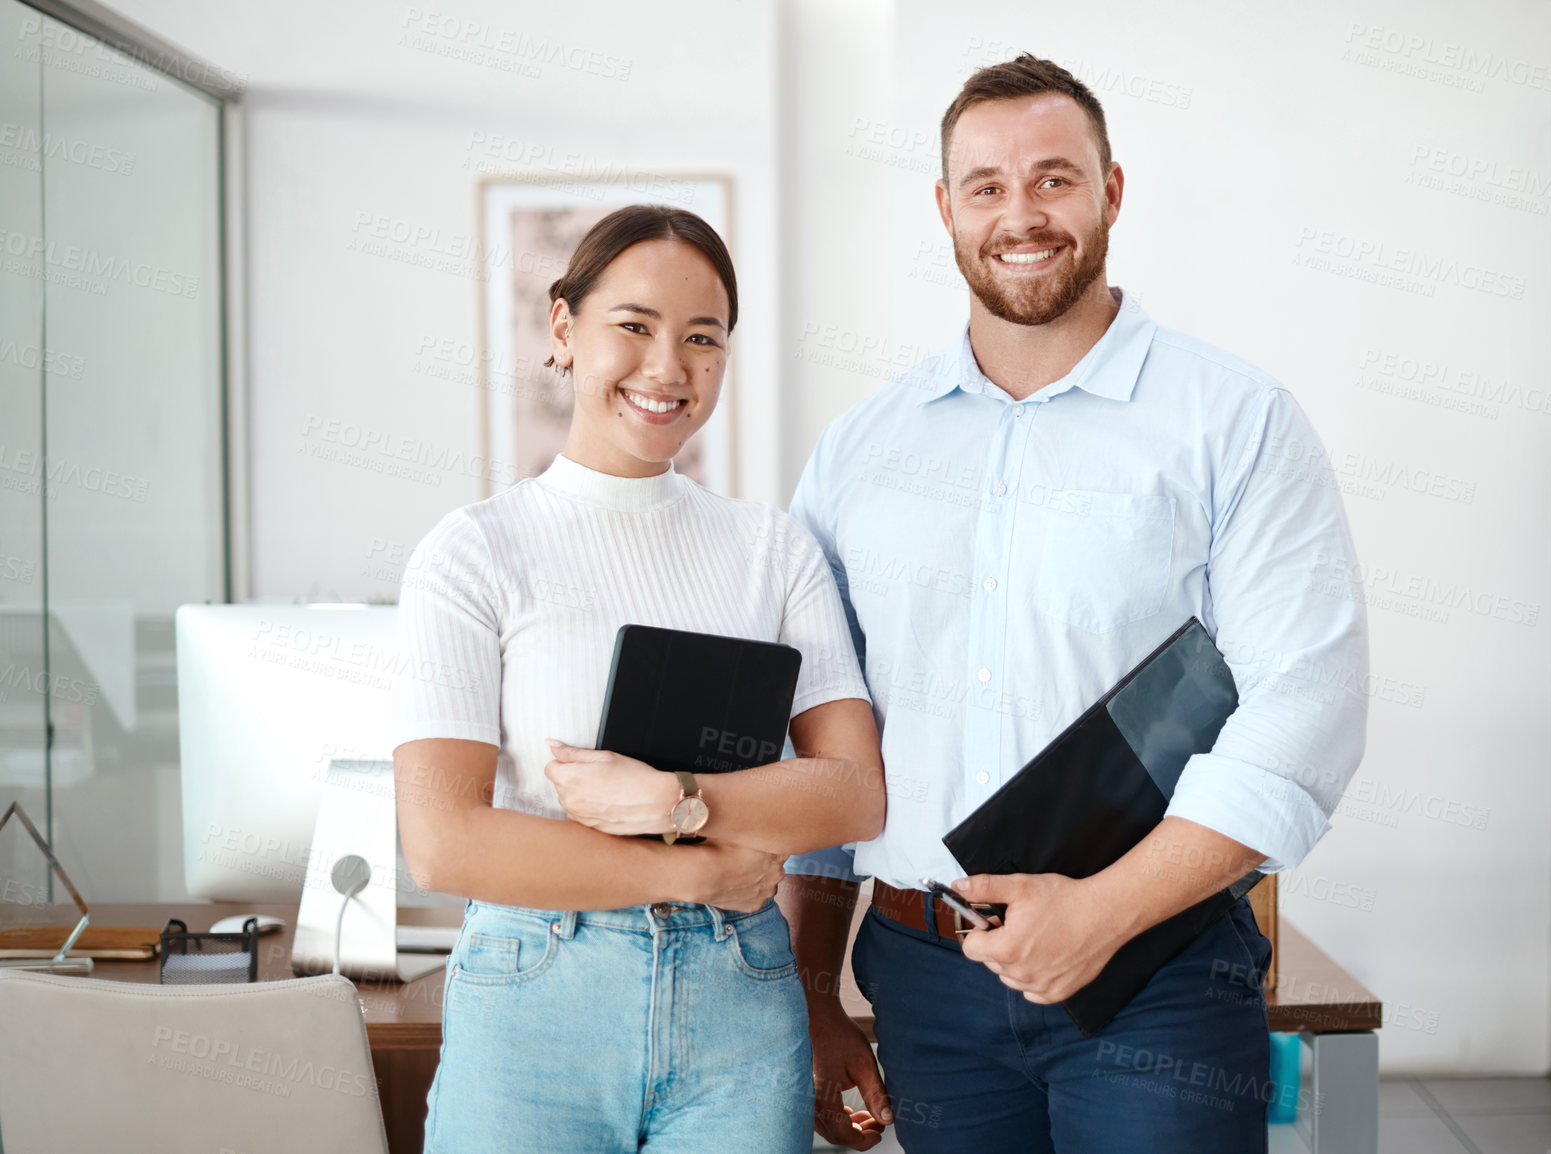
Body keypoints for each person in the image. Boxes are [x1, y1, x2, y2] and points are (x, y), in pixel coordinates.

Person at [779, 55, 1371, 1152]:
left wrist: (1103, 912)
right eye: (989, 186)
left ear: (1111, 191)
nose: (1022, 213)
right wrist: (814, 992)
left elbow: (1306, 706)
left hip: (1159, 970)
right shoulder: (861, 451)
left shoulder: (1235, 421)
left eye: (1055, 178)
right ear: (946, 208)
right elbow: (825, 731)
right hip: (926, 980)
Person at [391, 203, 886, 1154]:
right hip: (537, 995)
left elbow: (853, 794)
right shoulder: (475, 550)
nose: (668, 368)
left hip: (739, 1008)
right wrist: (698, 865)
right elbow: (445, 843)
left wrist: (677, 798)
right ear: (564, 328)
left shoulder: (772, 550)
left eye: (702, 338)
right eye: (634, 326)